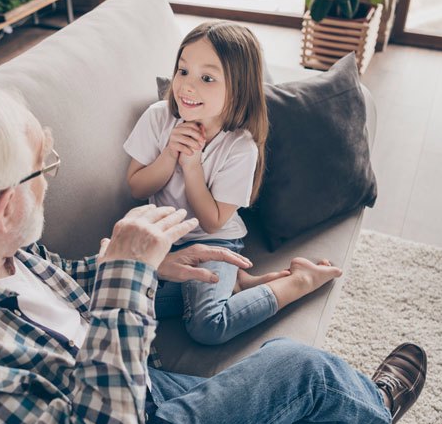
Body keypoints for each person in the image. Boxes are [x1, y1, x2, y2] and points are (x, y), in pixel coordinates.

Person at [0, 86, 426, 424]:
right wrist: (124, 281)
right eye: (44, 168)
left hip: (112, 379)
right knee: (299, 369)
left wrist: (151, 270)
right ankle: (378, 406)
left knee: (303, 422)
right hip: (116, 420)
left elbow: (35, 289)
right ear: (9, 206)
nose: (51, 176)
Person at [124, 21, 342, 345]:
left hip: (216, 243)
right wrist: (169, 153)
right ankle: (233, 285)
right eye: (183, 71)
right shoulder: (158, 117)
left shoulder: (240, 147)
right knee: (123, 302)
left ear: (237, 89)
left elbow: (212, 223)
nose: (187, 86)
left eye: (207, 78)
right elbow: (137, 187)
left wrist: (192, 165)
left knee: (207, 326)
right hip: (165, 242)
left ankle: (297, 282)